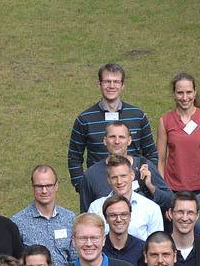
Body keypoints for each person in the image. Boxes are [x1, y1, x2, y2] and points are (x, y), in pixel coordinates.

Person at [67, 63, 158, 202]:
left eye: (116, 82)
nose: (111, 86)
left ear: (123, 85)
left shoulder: (138, 116)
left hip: (135, 189)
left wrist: (147, 180)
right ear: (99, 84)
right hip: (100, 189)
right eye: (107, 81)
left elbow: (151, 152)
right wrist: (83, 186)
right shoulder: (84, 119)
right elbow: (74, 157)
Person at [11, 165, 78, 266]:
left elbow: (75, 258)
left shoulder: (69, 218)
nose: (44, 191)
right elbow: (16, 264)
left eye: (49, 185)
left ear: (56, 186)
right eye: (39, 186)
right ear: (32, 187)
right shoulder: (18, 222)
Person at [160, 73, 200, 197]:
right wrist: (162, 188)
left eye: (189, 92)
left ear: (195, 92)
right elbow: (161, 160)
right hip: (173, 187)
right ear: (174, 94)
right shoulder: (165, 120)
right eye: (180, 93)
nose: (185, 98)